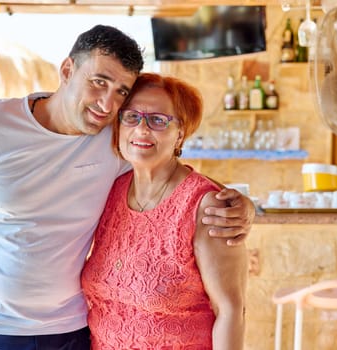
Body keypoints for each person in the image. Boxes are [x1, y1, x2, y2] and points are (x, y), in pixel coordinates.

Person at [0, 25, 254, 349]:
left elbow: (176, 179)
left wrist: (240, 205)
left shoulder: (110, 140)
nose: (107, 103)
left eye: (120, 92)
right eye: (99, 82)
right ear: (67, 70)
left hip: (69, 330)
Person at [81, 73, 248, 349]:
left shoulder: (206, 208)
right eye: (132, 117)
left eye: (158, 120)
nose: (142, 130)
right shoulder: (110, 191)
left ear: (180, 132)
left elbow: (230, 312)